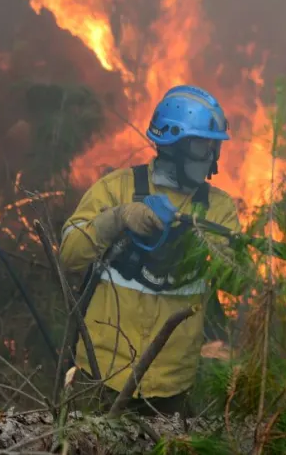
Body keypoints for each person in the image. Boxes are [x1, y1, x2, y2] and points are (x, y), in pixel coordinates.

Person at [59, 85, 240, 415]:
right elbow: (69, 254)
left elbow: (240, 283)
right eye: (203, 146)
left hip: (172, 388)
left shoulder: (219, 209)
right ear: (174, 146)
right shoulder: (118, 188)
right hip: (100, 375)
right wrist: (117, 218)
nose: (212, 157)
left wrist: (209, 245)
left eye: (214, 147)